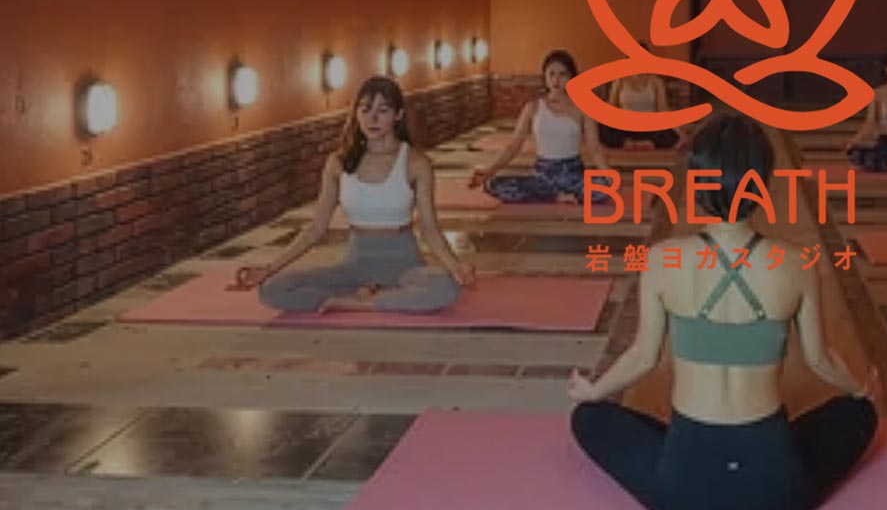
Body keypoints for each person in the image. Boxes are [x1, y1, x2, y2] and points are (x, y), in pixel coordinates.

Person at [567, 112, 879, 510]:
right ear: (763, 184)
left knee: (589, 417)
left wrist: (593, 390)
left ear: (697, 182)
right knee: (857, 414)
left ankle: (684, 451)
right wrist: (862, 389)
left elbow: (642, 357)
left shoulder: (661, 260)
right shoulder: (796, 264)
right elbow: (821, 360)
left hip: (685, 493)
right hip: (775, 493)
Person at [234, 76, 475, 312]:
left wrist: (456, 267)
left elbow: (429, 229)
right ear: (356, 113)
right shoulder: (338, 162)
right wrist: (269, 269)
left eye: (383, 110)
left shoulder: (416, 163)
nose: (372, 118)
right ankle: (379, 296)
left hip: (404, 266)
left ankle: (355, 301)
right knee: (272, 289)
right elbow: (316, 228)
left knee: (446, 287)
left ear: (398, 115)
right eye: (365, 109)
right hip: (355, 267)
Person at [469, 49, 610, 204]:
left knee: (606, 187)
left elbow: (594, 148)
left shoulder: (583, 107)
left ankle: (553, 195)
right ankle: (556, 196)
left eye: (562, 74)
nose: (556, 80)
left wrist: (608, 174)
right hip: (542, 176)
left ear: (571, 77)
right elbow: (513, 146)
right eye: (551, 74)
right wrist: (490, 170)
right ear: (545, 77)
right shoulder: (533, 107)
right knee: (493, 184)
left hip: (572, 174)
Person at [600, 43, 683, 151]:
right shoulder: (620, 80)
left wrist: (678, 129)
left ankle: (648, 143)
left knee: (669, 134)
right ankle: (628, 143)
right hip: (625, 126)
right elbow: (611, 106)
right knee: (603, 128)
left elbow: (663, 109)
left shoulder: (655, 82)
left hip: (649, 126)